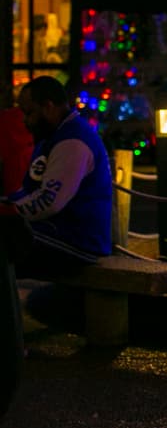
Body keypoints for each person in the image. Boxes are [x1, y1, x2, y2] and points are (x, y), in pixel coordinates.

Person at [7, 77, 112, 278]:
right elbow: (32, 191)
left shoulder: (73, 141)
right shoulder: (55, 135)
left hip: (77, 240)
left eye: (29, 113)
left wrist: (9, 212)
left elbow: (49, 201)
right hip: (58, 232)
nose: (25, 121)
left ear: (48, 107)